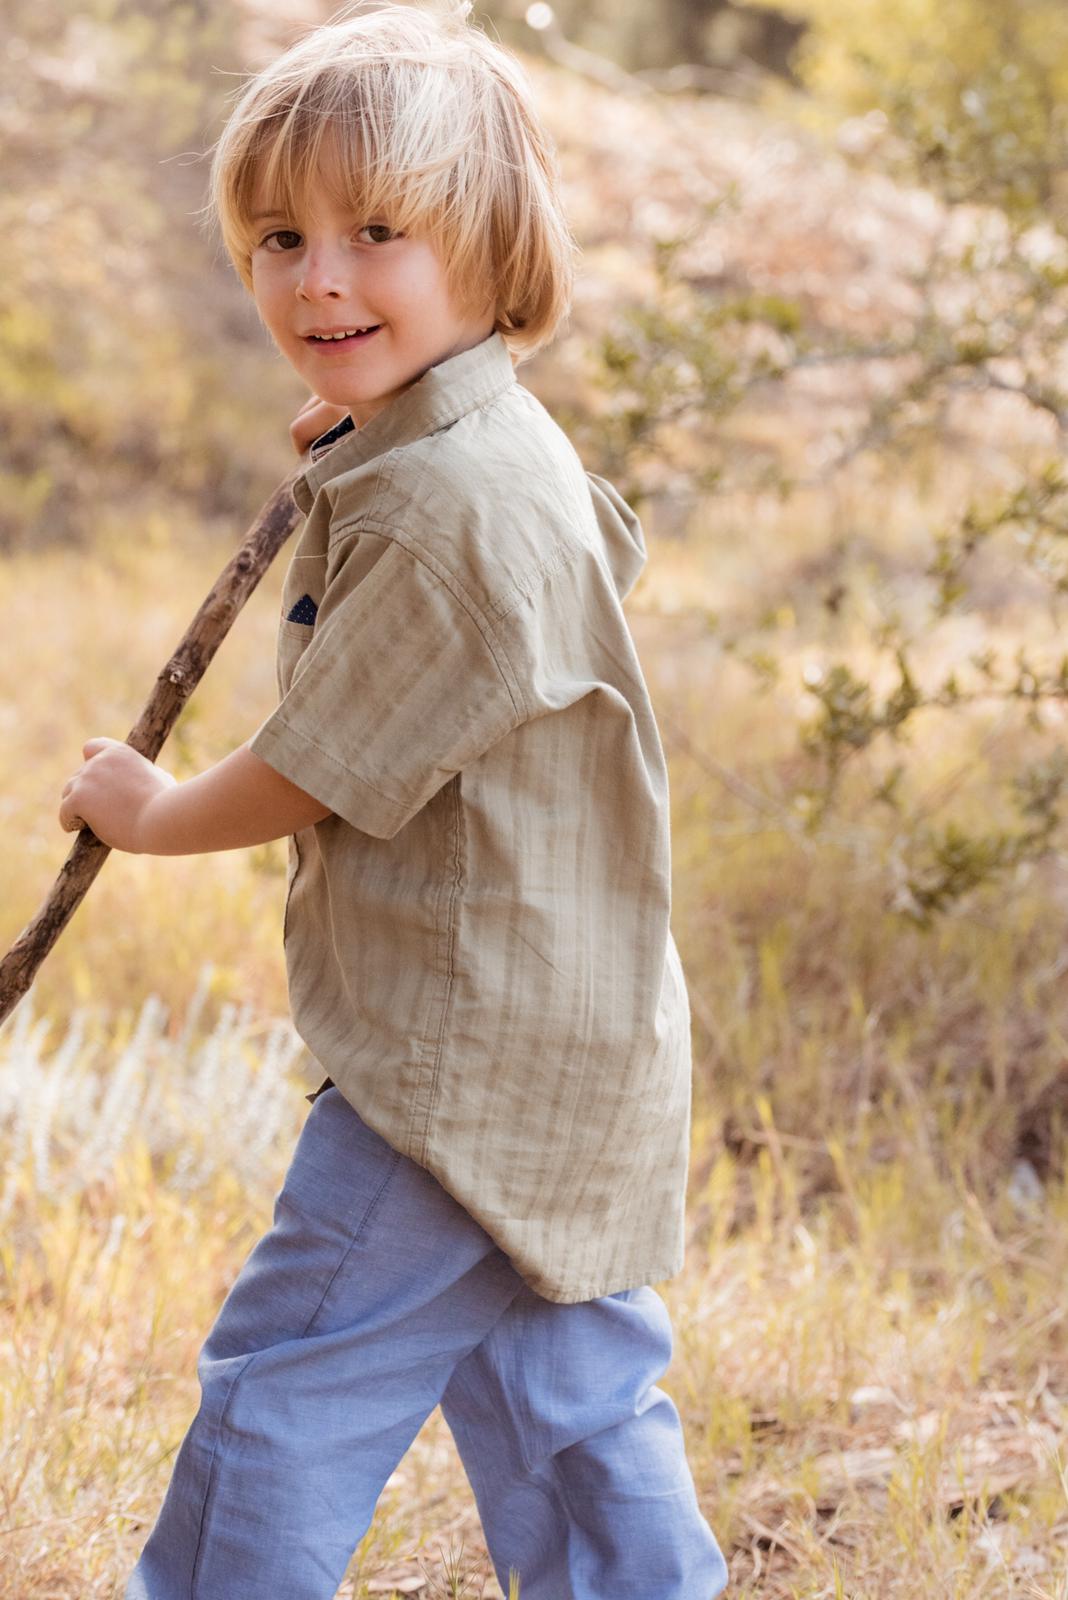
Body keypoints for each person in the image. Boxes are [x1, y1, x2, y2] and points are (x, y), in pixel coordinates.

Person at [58, 3, 730, 1595]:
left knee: (287, 1383)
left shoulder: (441, 511)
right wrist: (373, 430)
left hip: (452, 1060)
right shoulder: (479, 439)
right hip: (581, 1035)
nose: (321, 279)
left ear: (492, 251)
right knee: (565, 1395)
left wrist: (148, 811)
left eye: (379, 233)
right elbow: (553, 551)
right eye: (280, 238)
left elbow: (314, 771)